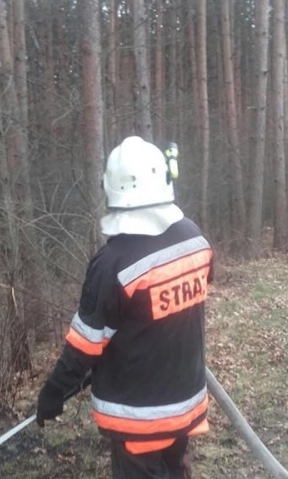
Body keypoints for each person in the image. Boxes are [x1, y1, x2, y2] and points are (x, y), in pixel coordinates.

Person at [36, 136, 213, 478]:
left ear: (111, 189)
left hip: (139, 417)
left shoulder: (112, 263)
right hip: (185, 404)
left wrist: (54, 392)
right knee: (176, 471)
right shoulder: (195, 239)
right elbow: (164, 314)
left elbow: (84, 346)